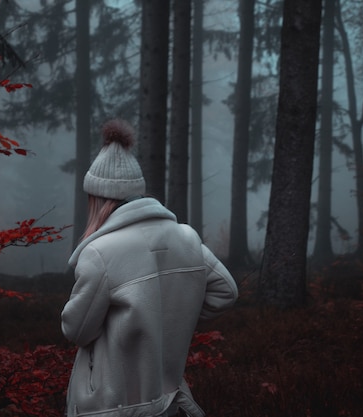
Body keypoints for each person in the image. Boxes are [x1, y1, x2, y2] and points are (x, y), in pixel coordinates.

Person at [61, 119, 238, 417]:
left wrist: (145, 323)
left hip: (111, 407)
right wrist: (167, 321)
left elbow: (76, 330)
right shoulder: (186, 237)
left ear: (98, 198)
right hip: (166, 401)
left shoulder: (100, 252)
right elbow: (226, 292)